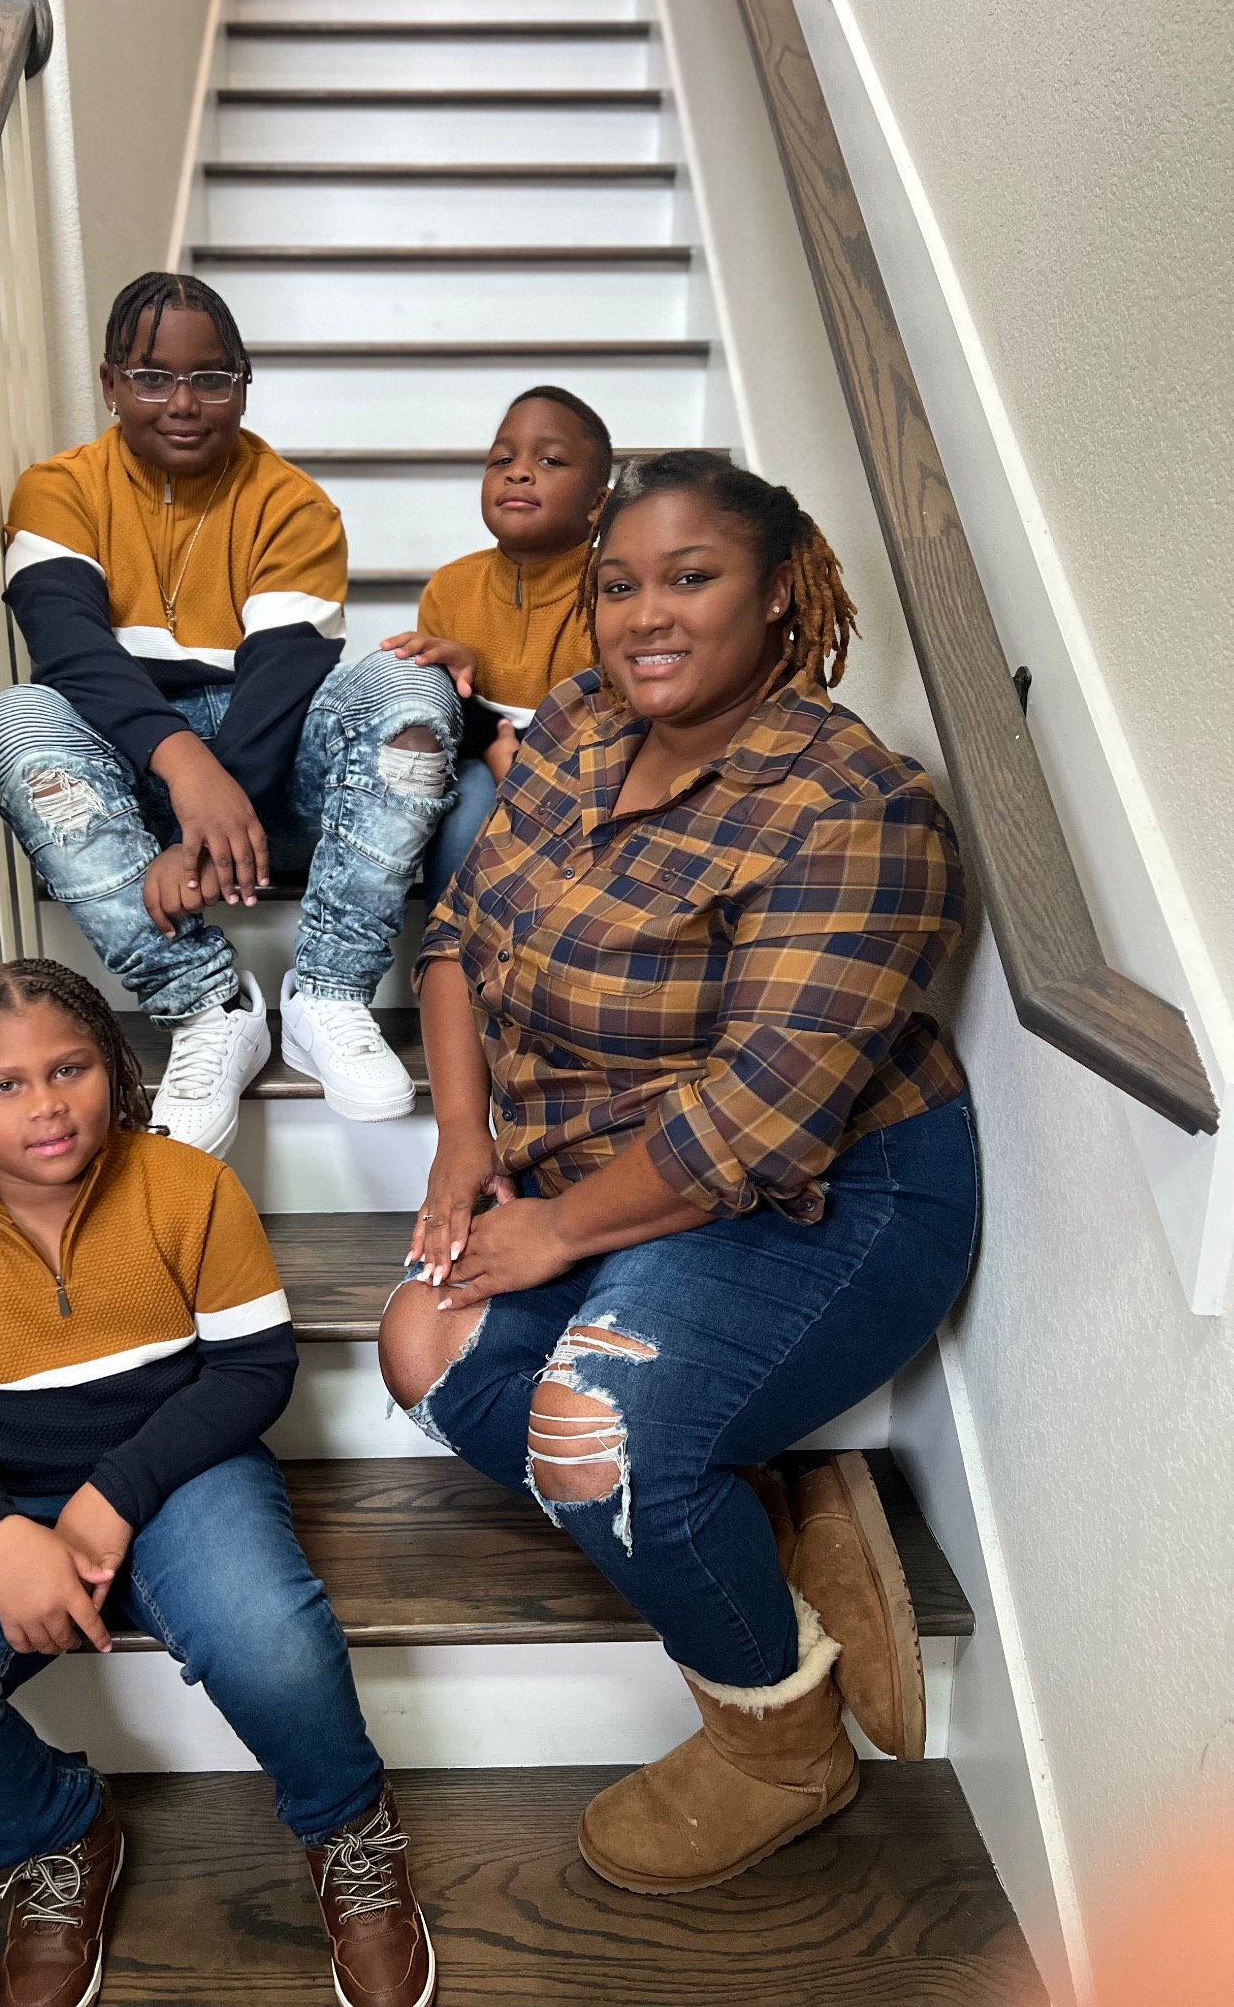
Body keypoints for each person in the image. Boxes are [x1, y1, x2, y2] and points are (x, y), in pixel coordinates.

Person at [378, 451, 979, 1894]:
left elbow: (757, 1123)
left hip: (833, 1192)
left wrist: (552, 1235)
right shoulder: (578, 725)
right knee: (420, 1345)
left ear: (776, 594)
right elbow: (458, 931)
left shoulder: (857, 807)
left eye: (691, 578)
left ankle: (782, 1744)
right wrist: (463, 1137)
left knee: (597, 1435)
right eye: (619, 585)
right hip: (597, 1162)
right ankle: (767, 1514)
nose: (644, 615)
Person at [0, 959, 436, 2007]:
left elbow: (254, 1370)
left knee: (269, 1636)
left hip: (185, 1475)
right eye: (4, 1084)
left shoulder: (188, 1186)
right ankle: (61, 1834)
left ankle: (348, 1827)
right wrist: (0, 1540)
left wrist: (113, 1493)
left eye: (69, 1068)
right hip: (3, 1499)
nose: (47, 1104)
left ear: (112, 1063)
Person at [0, 273, 461, 1155]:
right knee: (15, 718)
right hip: (132, 782)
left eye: (211, 378)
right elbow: (72, 654)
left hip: (272, 789)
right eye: (152, 377)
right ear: (110, 382)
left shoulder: (293, 504)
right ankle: (208, 1004)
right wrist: (185, 772)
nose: (184, 403)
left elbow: (282, 678)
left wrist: (212, 809)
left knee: (413, 693)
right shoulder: (58, 492)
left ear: (245, 382)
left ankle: (327, 993)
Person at [379, 385, 610, 903]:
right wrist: (473, 703)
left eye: (549, 460)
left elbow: (617, 715)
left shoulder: (615, 591)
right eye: (502, 460)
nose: (518, 472)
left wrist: (526, 762)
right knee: (468, 803)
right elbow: (437, 716)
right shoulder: (451, 587)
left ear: (598, 504)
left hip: (587, 773)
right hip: (481, 761)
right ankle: (450, 947)